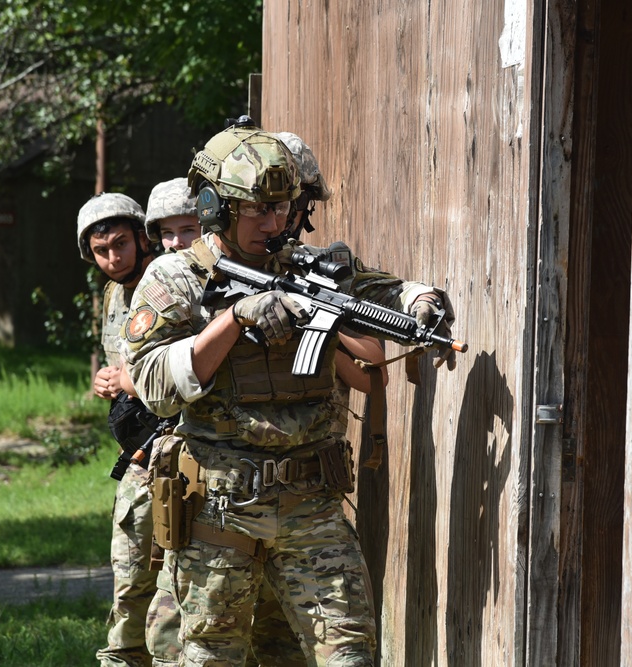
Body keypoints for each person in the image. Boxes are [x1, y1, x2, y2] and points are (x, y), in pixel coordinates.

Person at [119, 121, 455, 666]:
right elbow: (155, 388)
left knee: (350, 656)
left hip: (313, 506)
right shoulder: (174, 279)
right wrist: (232, 320)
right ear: (214, 207)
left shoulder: (303, 265)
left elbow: (376, 289)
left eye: (283, 208)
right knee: (210, 658)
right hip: (219, 512)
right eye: (258, 210)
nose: (275, 223)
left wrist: (418, 301)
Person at [76, 192, 161, 667]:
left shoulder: (170, 281)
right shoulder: (113, 294)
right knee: (129, 585)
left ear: (141, 238)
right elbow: (120, 363)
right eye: (101, 250)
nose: (113, 257)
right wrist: (109, 381)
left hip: (179, 452)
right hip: (136, 455)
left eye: (121, 244)